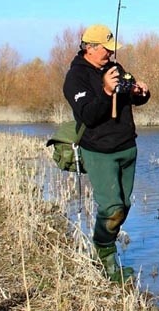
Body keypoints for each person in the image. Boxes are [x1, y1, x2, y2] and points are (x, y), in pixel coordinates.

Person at [62, 24, 150, 283]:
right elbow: (88, 114)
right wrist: (105, 91)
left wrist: (140, 93)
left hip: (127, 147)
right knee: (111, 209)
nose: (111, 54)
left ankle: (104, 253)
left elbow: (130, 98)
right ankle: (106, 261)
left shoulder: (115, 68)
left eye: (112, 49)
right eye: (106, 49)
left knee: (124, 206)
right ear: (90, 48)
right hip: (99, 150)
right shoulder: (75, 78)